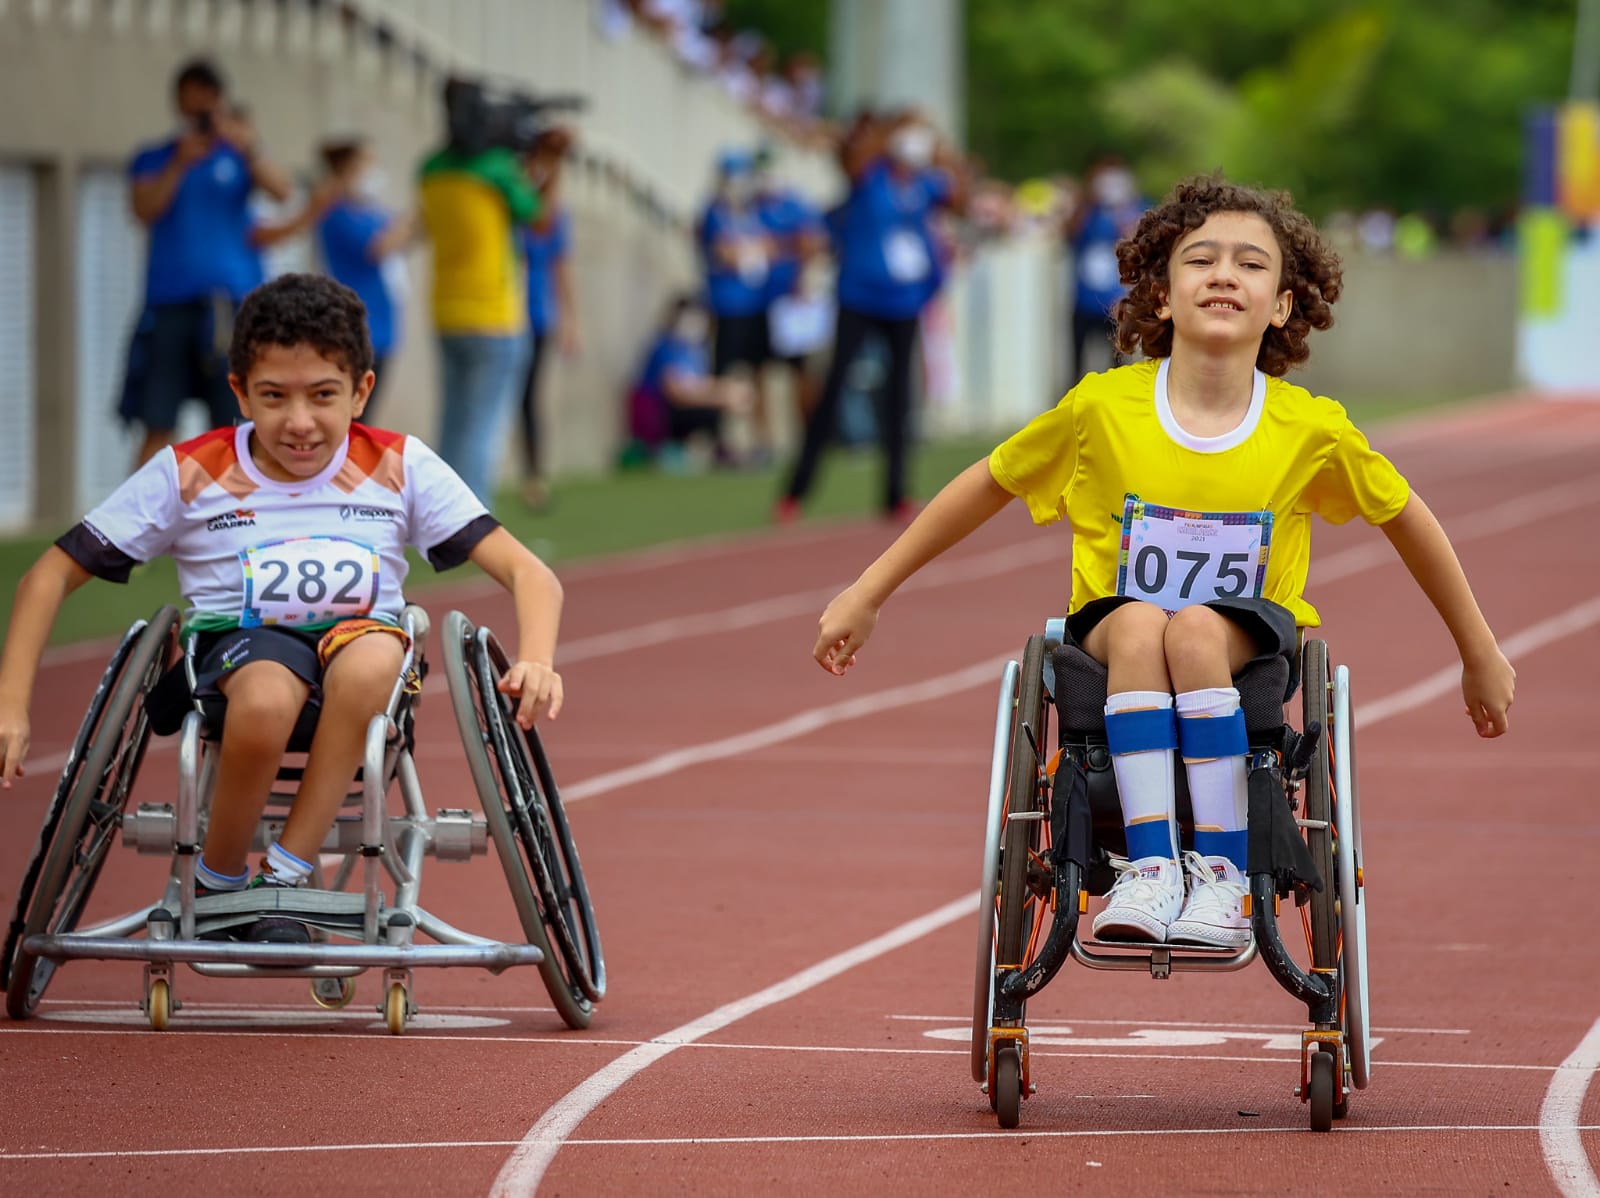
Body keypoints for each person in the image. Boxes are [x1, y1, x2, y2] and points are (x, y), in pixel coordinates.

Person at [811, 175, 1515, 948]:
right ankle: (1152, 871)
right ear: (1161, 296)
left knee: (1196, 632)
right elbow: (989, 482)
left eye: (1251, 264)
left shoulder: (1311, 430)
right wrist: (868, 590)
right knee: (1150, 625)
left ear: (1281, 304)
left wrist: (1478, 651)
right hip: (1116, 640)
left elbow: (1408, 519)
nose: (1223, 274)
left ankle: (1220, 873)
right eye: (1200, 259)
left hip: (1249, 645)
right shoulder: (1100, 410)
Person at [0, 274, 565, 943]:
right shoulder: (192, 471)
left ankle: (287, 879)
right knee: (268, 698)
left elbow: (532, 575)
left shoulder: (398, 465)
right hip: (240, 651)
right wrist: (10, 705)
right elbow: (46, 578)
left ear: (361, 390)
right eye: (273, 397)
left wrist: (536, 659)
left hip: (362, 651)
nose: (299, 422)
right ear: (238, 392)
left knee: (375, 655)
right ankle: (218, 878)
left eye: (324, 395)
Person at [777, 110, 965, 524]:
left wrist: (940, 147)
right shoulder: (870, 175)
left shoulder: (924, 184)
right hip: (859, 297)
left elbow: (959, 196)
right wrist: (890, 130)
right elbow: (854, 160)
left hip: (904, 301)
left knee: (900, 398)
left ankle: (895, 494)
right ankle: (795, 492)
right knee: (834, 387)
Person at [123, 58, 293, 467]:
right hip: (171, 306)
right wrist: (180, 162)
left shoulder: (239, 155)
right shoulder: (157, 156)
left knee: (237, 421)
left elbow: (282, 190)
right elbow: (143, 208)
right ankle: (133, 525)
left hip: (231, 307)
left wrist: (247, 144)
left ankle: (242, 517)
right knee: (158, 418)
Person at [418, 80, 541, 505]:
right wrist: (542, 167)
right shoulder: (497, 170)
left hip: (446, 309)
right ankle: (471, 521)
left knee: (452, 422)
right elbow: (535, 214)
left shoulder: (430, 168)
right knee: (483, 427)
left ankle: (436, 514)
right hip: (494, 314)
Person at [698, 149, 776, 459]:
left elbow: (772, 247)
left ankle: (763, 440)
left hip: (756, 304)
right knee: (724, 375)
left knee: (759, 373)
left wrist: (747, 252)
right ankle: (722, 441)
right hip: (727, 306)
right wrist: (751, 252)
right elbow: (724, 254)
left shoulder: (753, 212)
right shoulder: (715, 212)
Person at [518, 126, 580, 510]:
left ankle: (534, 476)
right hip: (503, 315)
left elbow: (561, 266)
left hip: (537, 314)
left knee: (528, 398)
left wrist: (570, 318)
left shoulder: (554, 215)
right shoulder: (512, 204)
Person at [1065, 157, 1147, 379]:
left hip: (1116, 302)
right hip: (1083, 301)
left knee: (1117, 362)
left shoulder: (1136, 210)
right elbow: (1069, 233)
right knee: (1077, 361)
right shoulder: (1088, 212)